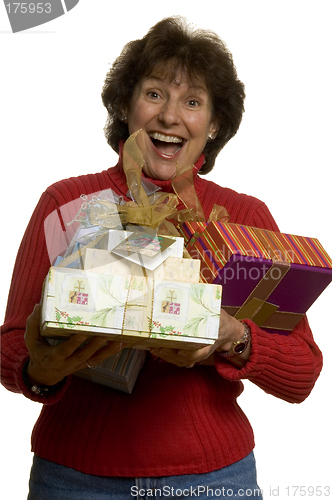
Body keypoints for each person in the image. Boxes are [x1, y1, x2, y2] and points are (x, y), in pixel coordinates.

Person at [0, 16, 323, 500]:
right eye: (154, 94)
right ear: (126, 106)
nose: (170, 117)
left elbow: (302, 372)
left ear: (213, 124)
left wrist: (233, 339)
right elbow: (10, 350)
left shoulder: (243, 217)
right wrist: (40, 371)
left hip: (214, 481)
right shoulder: (65, 203)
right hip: (74, 478)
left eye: (192, 102)